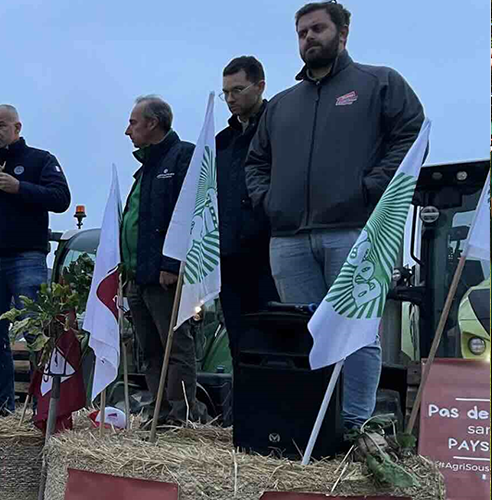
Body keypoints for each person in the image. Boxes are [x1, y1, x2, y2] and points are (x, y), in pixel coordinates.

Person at [244, 1, 425, 429]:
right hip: (288, 240)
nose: (309, 37)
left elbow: (412, 135)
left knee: (356, 333)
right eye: (302, 32)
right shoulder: (282, 105)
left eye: (318, 29)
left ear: (342, 34)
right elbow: (255, 163)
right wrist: (269, 201)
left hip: (356, 233)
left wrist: (370, 188)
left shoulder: (378, 82)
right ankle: (311, 426)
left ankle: (352, 428)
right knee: (301, 335)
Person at [0, 104, 72, 417]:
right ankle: (1, 405)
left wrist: (18, 187)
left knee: (35, 331)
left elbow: (61, 198)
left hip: (26, 258)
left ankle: (43, 404)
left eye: (0, 126)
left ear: (17, 128)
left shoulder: (40, 160)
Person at [120, 95, 208, 426]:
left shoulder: (182, 156)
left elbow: (187, 214)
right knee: (150, 351)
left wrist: (172, 264)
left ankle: (181, 415)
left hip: (163, 276)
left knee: (175, 347)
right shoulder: (145, 168)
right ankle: (160, 413)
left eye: (132, 122)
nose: (127, 131)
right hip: (138, 277)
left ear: (153, 123)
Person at [216, 55, 280, 365]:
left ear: (260, 86)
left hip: (268, 254)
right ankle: (241, 410)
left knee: (274, 339)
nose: (230, 99)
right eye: (225, 92)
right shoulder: (222, 142)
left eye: (237, 90)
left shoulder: (278, 130)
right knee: (238, 343)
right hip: (228, 258)